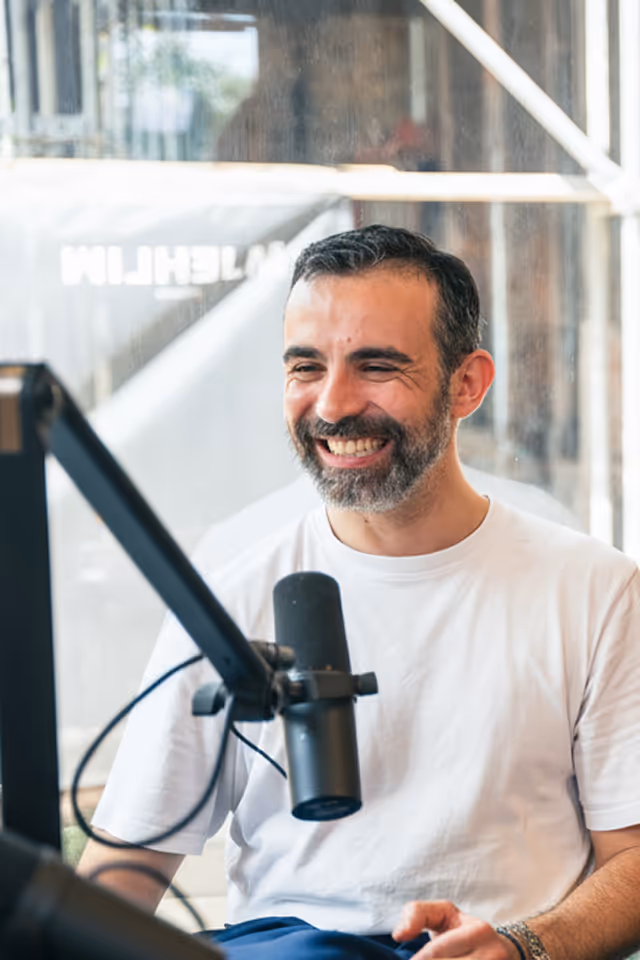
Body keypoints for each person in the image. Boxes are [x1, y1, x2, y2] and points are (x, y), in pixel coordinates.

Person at [80, 225, 640, 960]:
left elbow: (632, 861)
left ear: (466, 383)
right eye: (306, 366)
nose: (333, 404)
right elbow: (125, 868)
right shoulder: (229, 594)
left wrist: (524, 947)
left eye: (377, 366)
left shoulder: (596, 592)